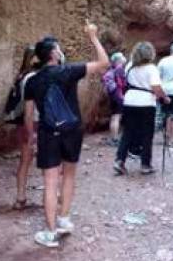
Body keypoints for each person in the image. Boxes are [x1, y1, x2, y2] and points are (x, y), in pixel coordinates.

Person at [23, 24, 109, 248]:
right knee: (69, 174)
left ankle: (51, 233)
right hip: (72, 130)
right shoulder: (68, 71)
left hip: (48, 132)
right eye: (59, 49)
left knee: (50, 182)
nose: (62, 52)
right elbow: (104, 63)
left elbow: (30, 114)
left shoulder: (32, 81)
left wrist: (31, 137)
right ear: (53, 54)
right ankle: (64, 218)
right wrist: (93, 37)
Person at [113, 42, 168, 176]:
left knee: (127, 132)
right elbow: (156, 87)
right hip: (146, 103)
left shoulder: (130, 66)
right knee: (147, 134)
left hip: (130, 101)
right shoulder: (151, 68)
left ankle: (120, 160)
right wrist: (165, 98)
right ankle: (145, 164)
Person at [14, 44, 41, 210]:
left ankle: (20, 196)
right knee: (47, 161)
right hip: (34, 122)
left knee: (24, 161)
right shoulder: (34, 78)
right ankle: (53, 197)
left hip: (24, 122)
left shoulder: (21, 77)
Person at [102, 52, 127, 146]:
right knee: (117, 117)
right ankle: (115, 139)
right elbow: (123, 83)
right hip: (118, 95)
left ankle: (113, 137)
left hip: (112, 95)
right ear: (118, 60)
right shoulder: (119, 69)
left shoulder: (111, 70)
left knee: (113, 117)